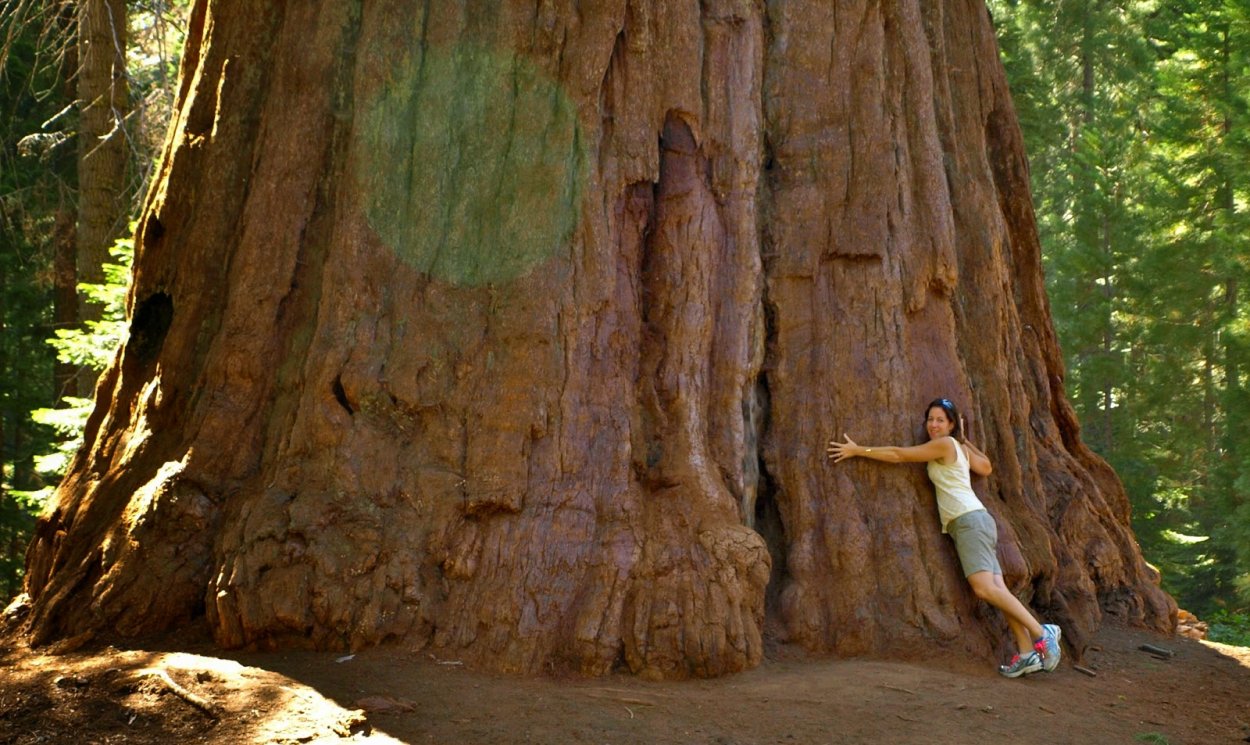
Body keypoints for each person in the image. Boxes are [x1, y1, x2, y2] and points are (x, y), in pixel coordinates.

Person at [826, 397, 1061, 678]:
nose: (933, 425)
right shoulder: (958, 447)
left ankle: (1040, 632)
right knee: (999, 591)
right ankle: (1026, 653)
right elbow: (985, 466)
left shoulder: (945, 445)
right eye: (930, 420)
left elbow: (900, 455)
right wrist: (965, 438)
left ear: (949, 424)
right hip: (979, 520)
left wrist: (858, 450)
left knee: (985, 590)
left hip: (968, 522)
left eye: (940, 420)